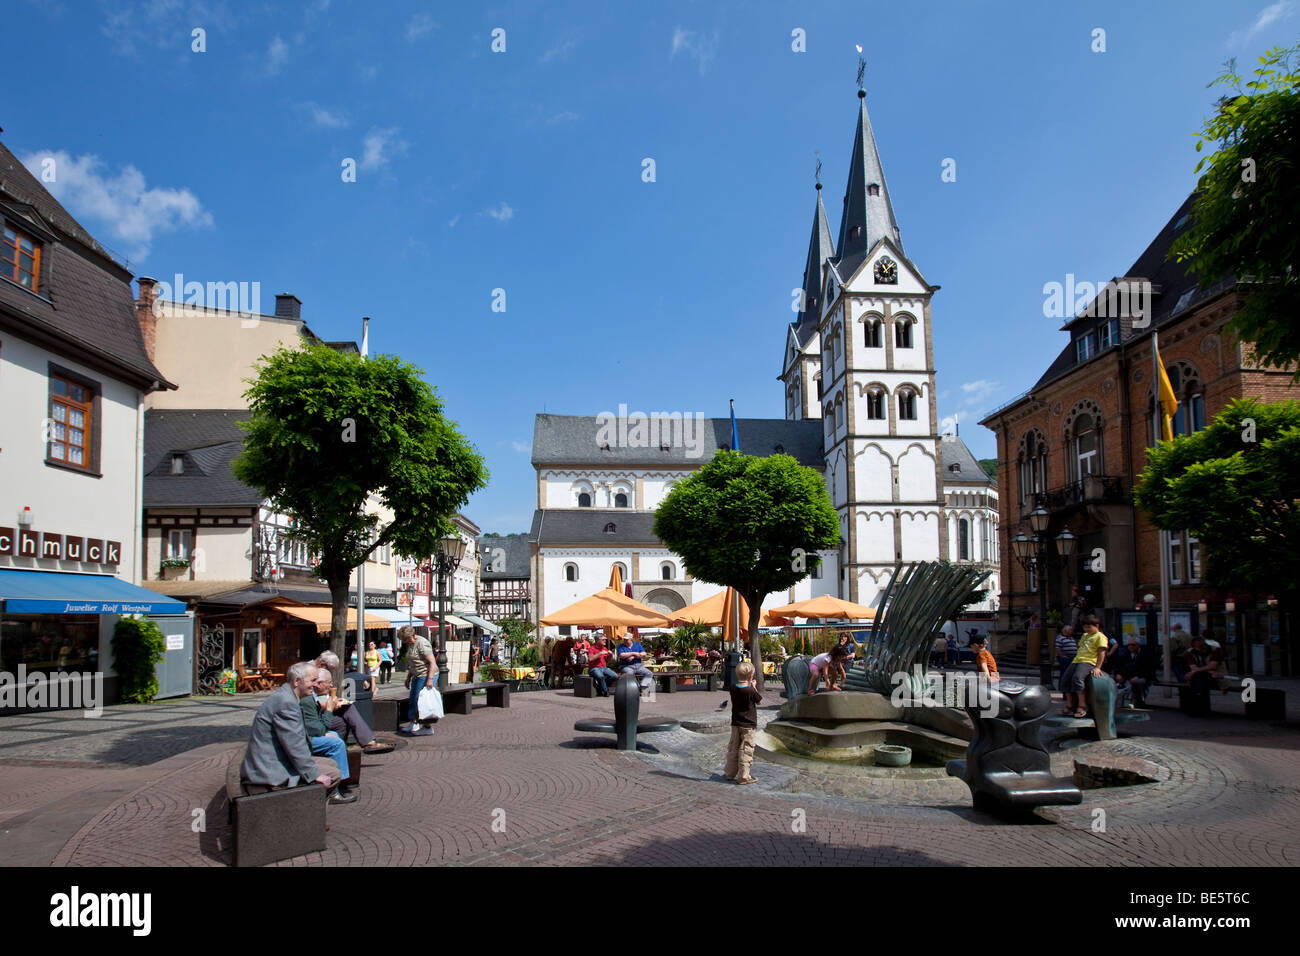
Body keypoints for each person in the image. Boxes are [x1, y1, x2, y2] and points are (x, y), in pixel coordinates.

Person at [240, 662, 346, 801]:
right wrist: (313, 775)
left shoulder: (287, 696)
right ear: (297, 681)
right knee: (334, 774)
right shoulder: (286, 703)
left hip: (274, 760)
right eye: (312, 680)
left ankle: (313, 811)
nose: (315, 685)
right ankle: (305, 815)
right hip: (268, 770)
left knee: (331, 764)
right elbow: (295, 745)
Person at [310, 657, 394, 754]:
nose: (331, 685)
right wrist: (329, 706)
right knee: (345, 717)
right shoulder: (310, 690)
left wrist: (335, 702)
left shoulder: (320, 689)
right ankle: (364, 743)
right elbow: (315, 707)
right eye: (329, 683)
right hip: (318, 718)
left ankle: (341, 750)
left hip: (325, 714)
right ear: (318, 684)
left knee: (345, 714)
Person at [300, 665, 359, 802]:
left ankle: (339, 781)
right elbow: (319, 728)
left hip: (307, 735)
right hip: (303, 740)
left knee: (336, 734)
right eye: (313, 681)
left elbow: (319, 725)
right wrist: (329, 710)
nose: (314, 685)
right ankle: (335, 788)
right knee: (336, 742)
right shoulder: (307, 700)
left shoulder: (311, 697)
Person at [1062, 614, 1108, 718]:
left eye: (1089, 627)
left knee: (1077, 678)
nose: (1087, 629)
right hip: (1077, 660)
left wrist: (1097, 667)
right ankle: (1070, 704)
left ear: (1096, 625)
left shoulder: (1100, 636)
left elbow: (1101, 652)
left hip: (1088, 661)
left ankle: (1082, 705)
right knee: (1065, 680)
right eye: (1085, 627)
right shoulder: (1084, 635)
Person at [725, 661, 762, 785]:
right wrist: (754, 686)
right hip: (748, 724)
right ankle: (744, 776)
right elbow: (759, 700)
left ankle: (729, 773)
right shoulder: (751, 690)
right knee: (746, 749)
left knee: (733, 747)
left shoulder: (733, 687)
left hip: (735, 723)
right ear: (751, 676)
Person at [400, 625, 438, 736]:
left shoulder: (422, 643)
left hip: (426, 674)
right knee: (413, 699)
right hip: (417, 674)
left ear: (411, 636)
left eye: (405, 640)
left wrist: (430, 679)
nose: (405, 642)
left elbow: (432, 662)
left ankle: (427, 726)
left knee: (421, 701)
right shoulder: (411, 644)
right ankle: (414, 722)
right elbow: (413, 663)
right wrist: (408, 677)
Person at [1106, 638, 1155, 708]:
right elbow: (1118, 666)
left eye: (1133, 645)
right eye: (1128, 645)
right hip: (1127, 675)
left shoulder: (1146, 654)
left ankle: (1140, 700)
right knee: (1110, 678)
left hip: (1142, 676)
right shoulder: (1125, 654)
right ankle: (1110, 700)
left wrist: (1138, 676)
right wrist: (1118, 674)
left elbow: (1149, 669)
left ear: (1138, 645)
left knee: (1140, 682)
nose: (1130, 647)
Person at [1184, 634, 1225, 716]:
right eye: (1196, 647)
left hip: (1217, 677)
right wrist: (1196, 671)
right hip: (1203, 676)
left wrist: (1194, 672)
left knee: (1197, 678)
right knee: (1199, 678)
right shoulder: (1190, 652)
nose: (1199, 649)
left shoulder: (1215, 650)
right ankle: (1201, 707)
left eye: (1201, 646)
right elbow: (1193, 667)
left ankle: (1196, 708)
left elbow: (1213, 666)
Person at [616, 633, 655, 697]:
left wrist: (633, 657)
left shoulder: (637, 645)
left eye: (626, 639)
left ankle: (643, 687)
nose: (625, 641)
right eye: (624, 639)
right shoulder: (621, 646)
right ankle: (632, 689)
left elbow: (644, 653)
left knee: (649, 673)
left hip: (638, 665)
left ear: (631, 639)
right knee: (629, 674)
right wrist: (633, 653)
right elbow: (621, 655)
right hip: (626, 666)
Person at [1055, 625, 1079, 691]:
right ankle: (1062, 688)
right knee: (1064, 673)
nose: (1072, 632)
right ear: (1065, 631)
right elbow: (1058, 648)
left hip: (1073, 658)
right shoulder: (1060, 638)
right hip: (1065, 658)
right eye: (1070, 630)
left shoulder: (1071, 638)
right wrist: (1062, 656)